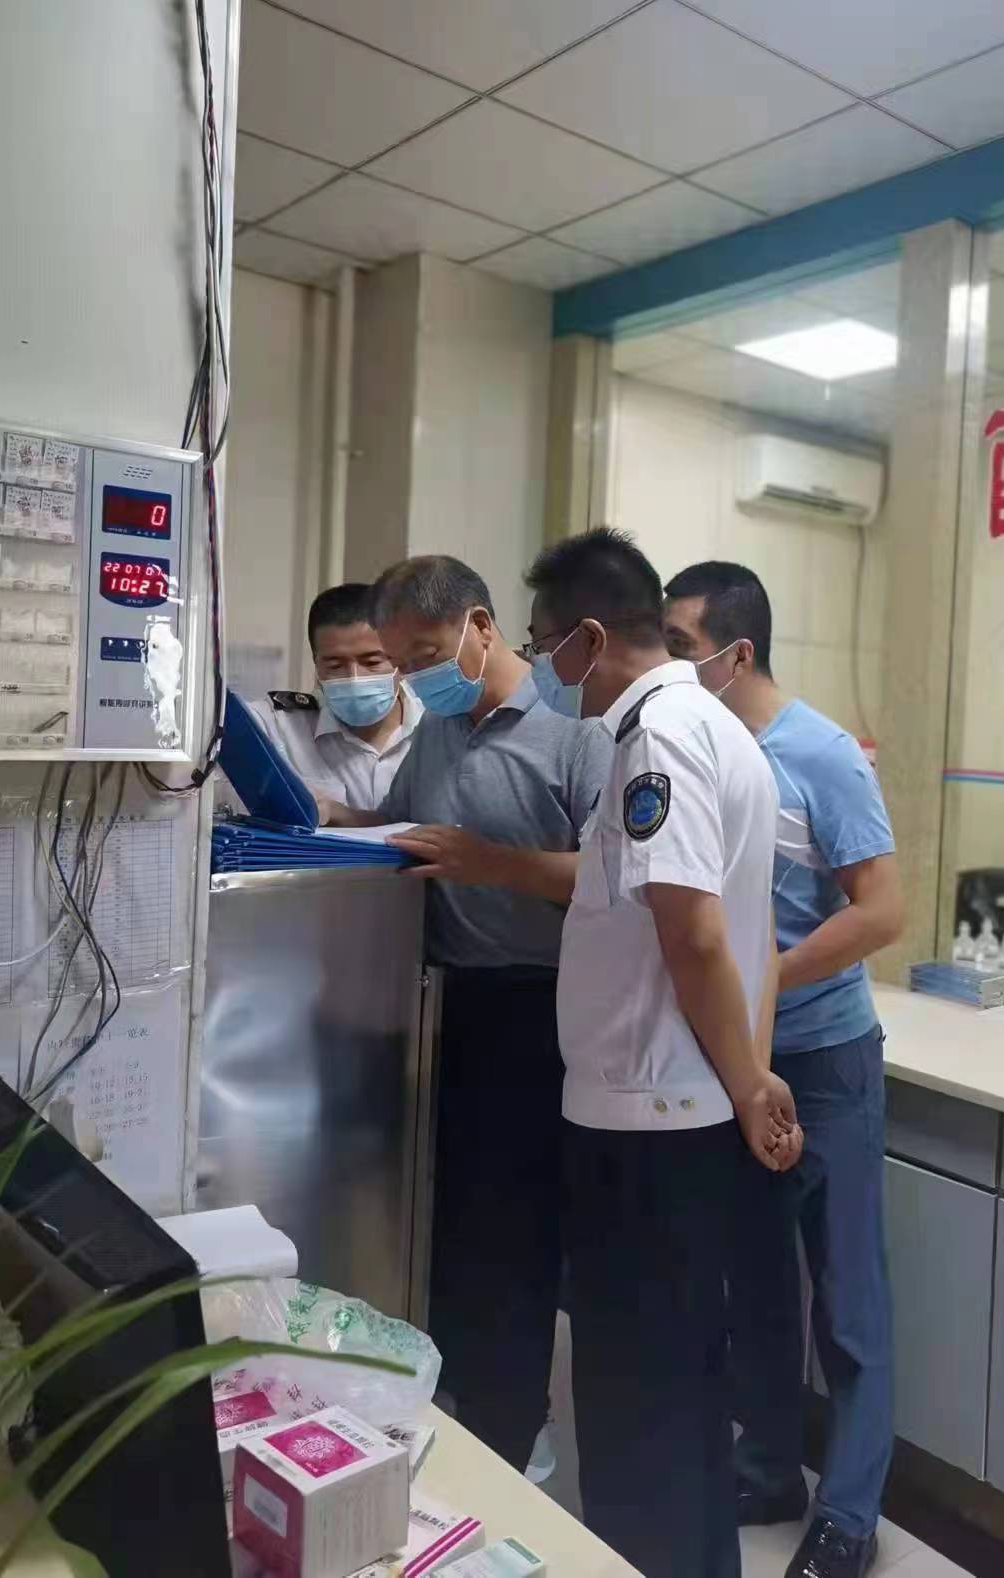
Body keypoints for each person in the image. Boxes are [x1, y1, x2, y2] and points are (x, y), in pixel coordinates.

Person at [525, 527, 802, 1578]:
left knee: (637, 1407)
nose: (543, 666)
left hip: (647, 1122)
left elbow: (695, 933)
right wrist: (750, 1078)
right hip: (675, 1112)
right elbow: (748, 935)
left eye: (545, 644)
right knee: (680, 1398)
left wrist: (746, 1084)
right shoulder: (719, 728)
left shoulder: (659, 737)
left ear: (591, 637)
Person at [319, 555, 613, 1475]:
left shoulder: (578, 729)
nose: (414, 679)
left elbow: (618, 879)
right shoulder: (442, 730)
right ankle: (451, 1412)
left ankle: (514, 1433)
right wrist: (324, 818)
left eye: (425, 655)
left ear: (481, 626)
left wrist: (493, 863)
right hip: (445, 1005)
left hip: (540, 1011)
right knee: (444, 1229)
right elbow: (406, 834)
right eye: (401, 662)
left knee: (512, 1242)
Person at [665, 560, 904, 1578]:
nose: (669, 664)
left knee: (846, 1297)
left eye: (681, 647)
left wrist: (767, 975)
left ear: (737, 652)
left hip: (823, 1056)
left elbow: (882, 911)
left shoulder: (820, 755)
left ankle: (849, 1513)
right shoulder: (693, 746)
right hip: (736, 1059)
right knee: (755, 1283)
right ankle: (767, 1468)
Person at [246, 582, 421, 811]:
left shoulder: (439, 728)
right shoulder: (277, 726)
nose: (354, 678)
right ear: (317, 666)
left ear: (401, 659)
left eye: (372, 662)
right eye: (335, 665)